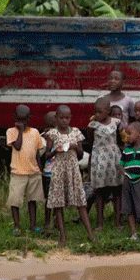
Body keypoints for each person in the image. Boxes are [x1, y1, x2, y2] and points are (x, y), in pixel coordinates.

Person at [44, 105, 96, 247]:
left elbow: (80, 155)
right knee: (58, 204)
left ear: (70, 118)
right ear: (56, 118)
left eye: (67, 118)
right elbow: (46, 155)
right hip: (59, 171)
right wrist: (56, 150)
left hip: (73, 171)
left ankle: (90, 234)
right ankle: (62, 236)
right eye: (61, 118)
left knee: (80, 202)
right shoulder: (52, 134)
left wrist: (74, 146)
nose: (64, 121)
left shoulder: (76, 132)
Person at [5, 104, 45, 235]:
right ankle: (17, 226)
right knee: (15, 200)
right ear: (14, 117)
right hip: (18, 173)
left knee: (32, 200)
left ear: (29, 118)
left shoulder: (35, 132)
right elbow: (17, 146)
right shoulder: (11, 131)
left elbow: (37, 153)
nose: (20, 122)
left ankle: (33, 226)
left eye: (24, 119)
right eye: (18, 119)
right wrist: (20, 132)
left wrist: (40, 169)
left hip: (33, 172)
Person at [88, 97, 123, 231]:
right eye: (95, 112)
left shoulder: (116, 123)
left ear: (108, 111)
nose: (97, 115)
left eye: (100, 112)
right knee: (100, 192)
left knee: (117, 192)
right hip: (99, 160)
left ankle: (118, 222)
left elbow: (120, 140)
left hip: (114, 160)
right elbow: (91, 143)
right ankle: (100, 223)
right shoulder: (92, 125)